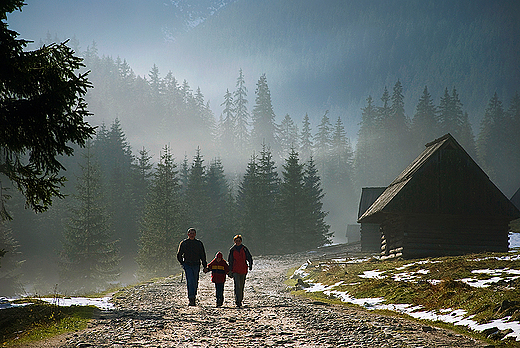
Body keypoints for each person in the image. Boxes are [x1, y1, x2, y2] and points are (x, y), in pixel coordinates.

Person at [177, 228, 208, 306]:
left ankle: (193, 296)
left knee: (195, 281)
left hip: (196, 264)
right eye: (190, 233)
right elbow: (179, 255)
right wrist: (182, 263)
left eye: (193, 233)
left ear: (195, 234)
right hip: (187, 265)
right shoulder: (184, 243)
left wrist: (205, 266)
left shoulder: (199, 243)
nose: (192, 234)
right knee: (190, 281)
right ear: (188, 234)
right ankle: (191, 299)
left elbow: (203, 255)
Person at [228, 234, 253, 308]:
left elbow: (249, 257)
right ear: (234, 241)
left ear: (241, 241)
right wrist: (230, 270)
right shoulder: (232, 250)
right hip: (235, 270)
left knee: (241, 286)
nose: (237, 242)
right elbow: (230, 261)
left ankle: (240, 300)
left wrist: (250, 265)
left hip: (243, 270)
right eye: (236, 241)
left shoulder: (244, 249)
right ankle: (237, 301)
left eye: (239, 241)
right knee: (237, 285)